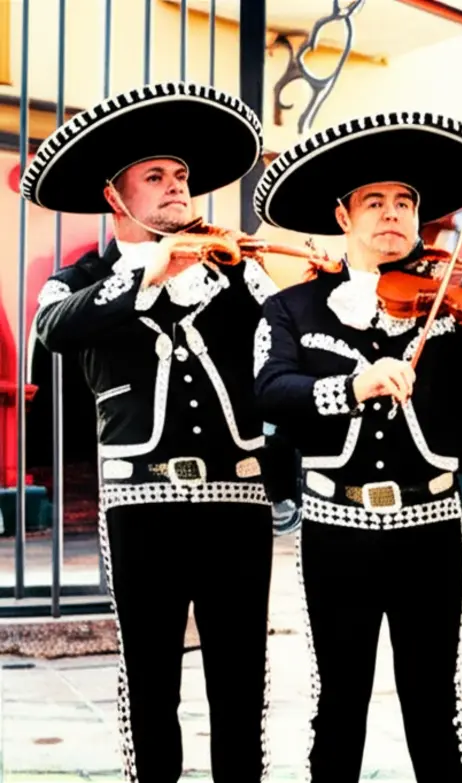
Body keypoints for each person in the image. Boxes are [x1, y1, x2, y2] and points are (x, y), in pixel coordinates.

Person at [251, 110, 462, 782]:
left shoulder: (445, 305)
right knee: (340, 700)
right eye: (374, 202)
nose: (392, 215)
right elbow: (271, 391)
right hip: (337, 528)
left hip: (431, 527)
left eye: (404, 203)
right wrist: (353, 384)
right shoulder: (293, 309)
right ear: (343, 216)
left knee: (433, 699)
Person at [27, 82, 277, 782]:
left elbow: (284, 351)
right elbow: (53, 331)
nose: (177, 188)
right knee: (150, 681)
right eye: (156, 177)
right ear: (116, 197)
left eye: (182, 177)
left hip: (239, 499)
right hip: (140, 503)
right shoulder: (79, 278)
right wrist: (146, 277)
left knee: (240, 681)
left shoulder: (237, 272)